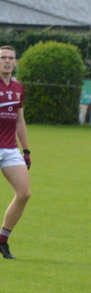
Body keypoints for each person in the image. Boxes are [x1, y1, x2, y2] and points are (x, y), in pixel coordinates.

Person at [0, 45, 31, 261]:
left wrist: (26, 150)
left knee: (24, 193)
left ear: (16, 62)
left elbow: (20, 120)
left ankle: (2, 240)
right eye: (3, 58)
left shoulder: (19, 87)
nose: (7, 61)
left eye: (11, 58)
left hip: (10, 148)